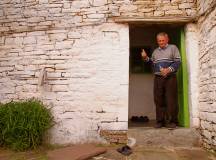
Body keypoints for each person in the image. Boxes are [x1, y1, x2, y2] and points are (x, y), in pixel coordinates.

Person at [141, 32, 181, 128]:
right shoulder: (155, 51)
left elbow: (177, 62)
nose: (161, 42)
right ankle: (160, 121)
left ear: (167, 40)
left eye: (163, 40)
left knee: (171, 100)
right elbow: (152, 62)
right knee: (158, 100)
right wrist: (145, 57)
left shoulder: (173, 48)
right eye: (159, 41)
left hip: (170, 77)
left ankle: (172, 121)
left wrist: (168, 70)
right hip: (158, 78)